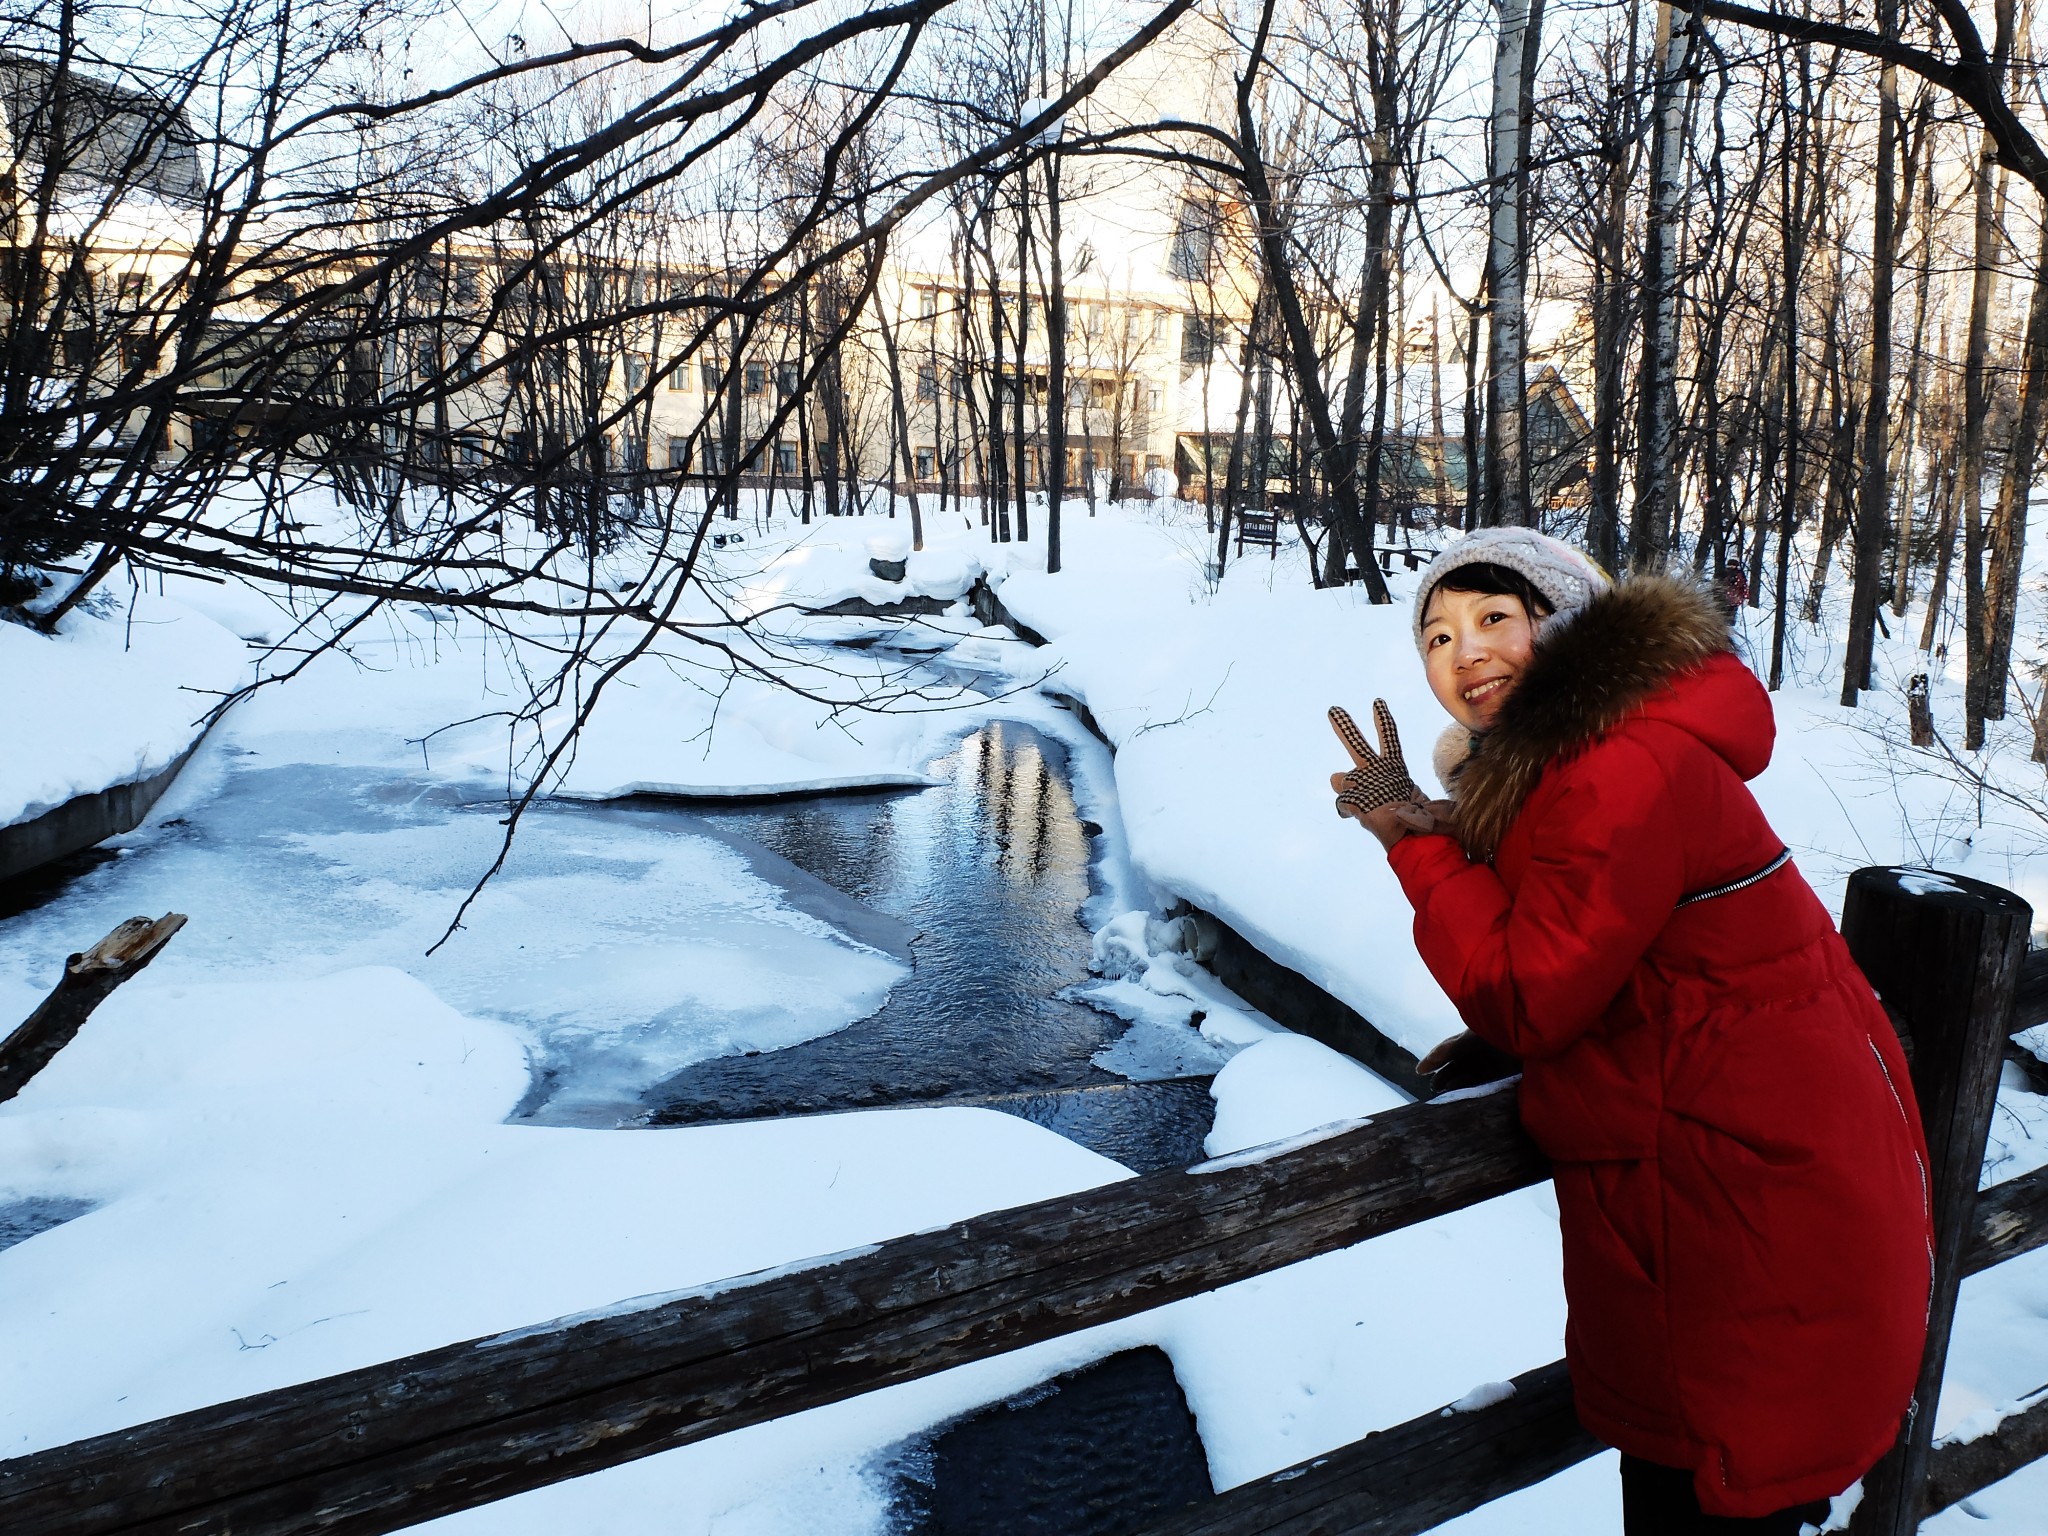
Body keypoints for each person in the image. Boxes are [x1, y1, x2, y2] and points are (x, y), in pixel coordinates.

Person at [1327, 528, 1932, 1533]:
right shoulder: (1587, 759)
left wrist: (1408, 843)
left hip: (1733, 1219)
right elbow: (1617, 952)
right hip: (1730, 1190)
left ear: (1563, 628)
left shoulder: (1615, 770)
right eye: (1433, 636)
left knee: (1704, 1493)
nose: (1460, 652)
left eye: (1490, 619)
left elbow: (1532, 987)